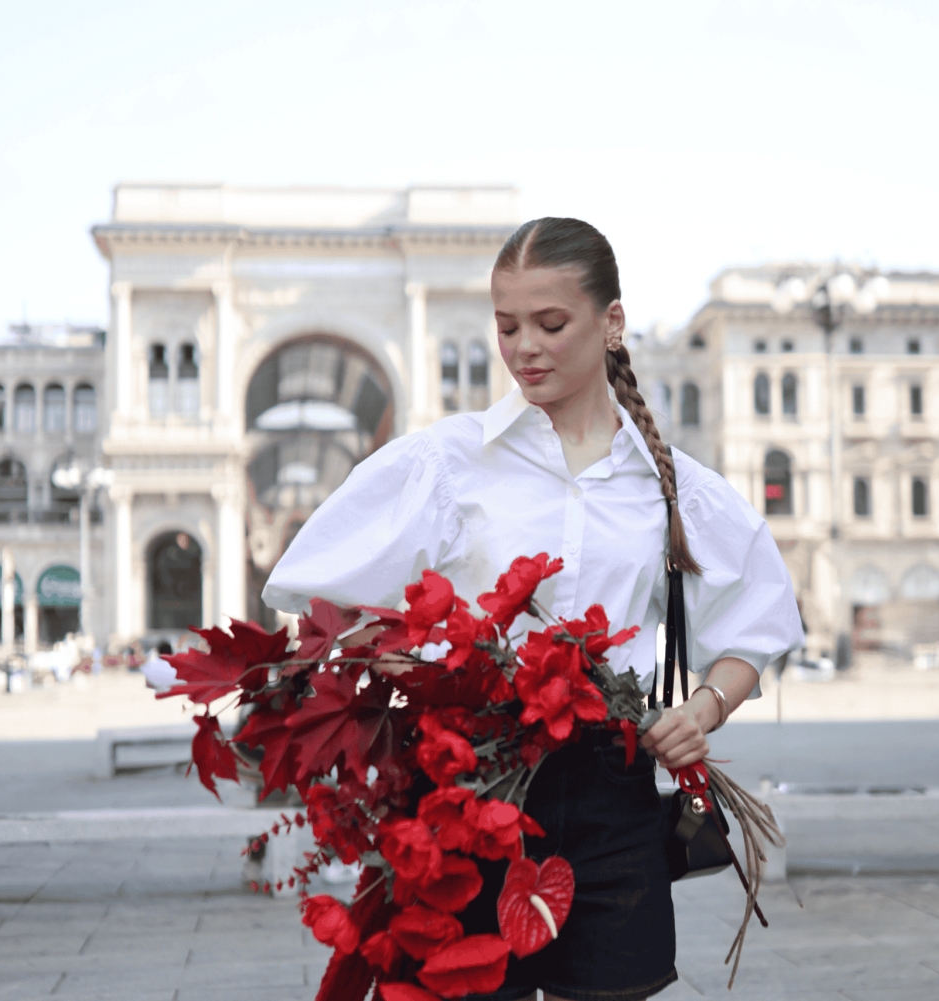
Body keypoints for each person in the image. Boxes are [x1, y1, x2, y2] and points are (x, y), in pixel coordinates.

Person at [263, 218, 801, 1001]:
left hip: (612, 794)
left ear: (612, 323)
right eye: (507, 325)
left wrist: (706, 708)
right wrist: (394, 650)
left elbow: (757, 619)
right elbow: (317, 591)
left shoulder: (672, 485)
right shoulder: (450, 460)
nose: (525, 348)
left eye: (551, 324)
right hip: (470, 789)